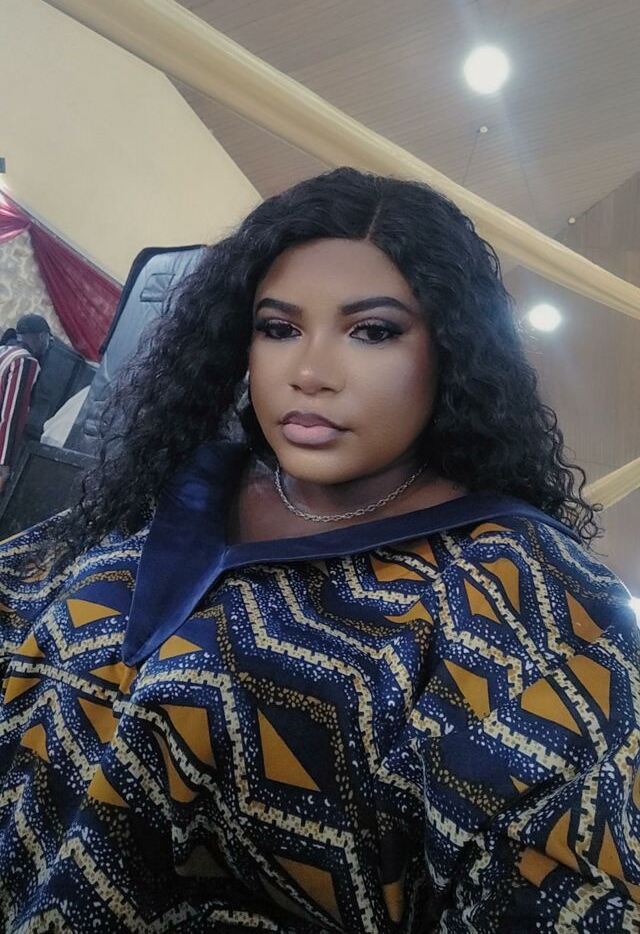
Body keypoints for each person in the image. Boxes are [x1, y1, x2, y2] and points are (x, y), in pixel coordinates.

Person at [0, 169, 638, 933]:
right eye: (279, 328)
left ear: (452, 349)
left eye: (373, 331)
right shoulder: (166, 491)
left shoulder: (522, 590)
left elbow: (577, 887)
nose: (309, 373)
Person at [0, 312, 51, 495]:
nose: (47, 345)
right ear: (42, 336)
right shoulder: (24, 361)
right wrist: (4, 461)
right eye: (49, 340)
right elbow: (12, 413)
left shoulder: (4, 350)